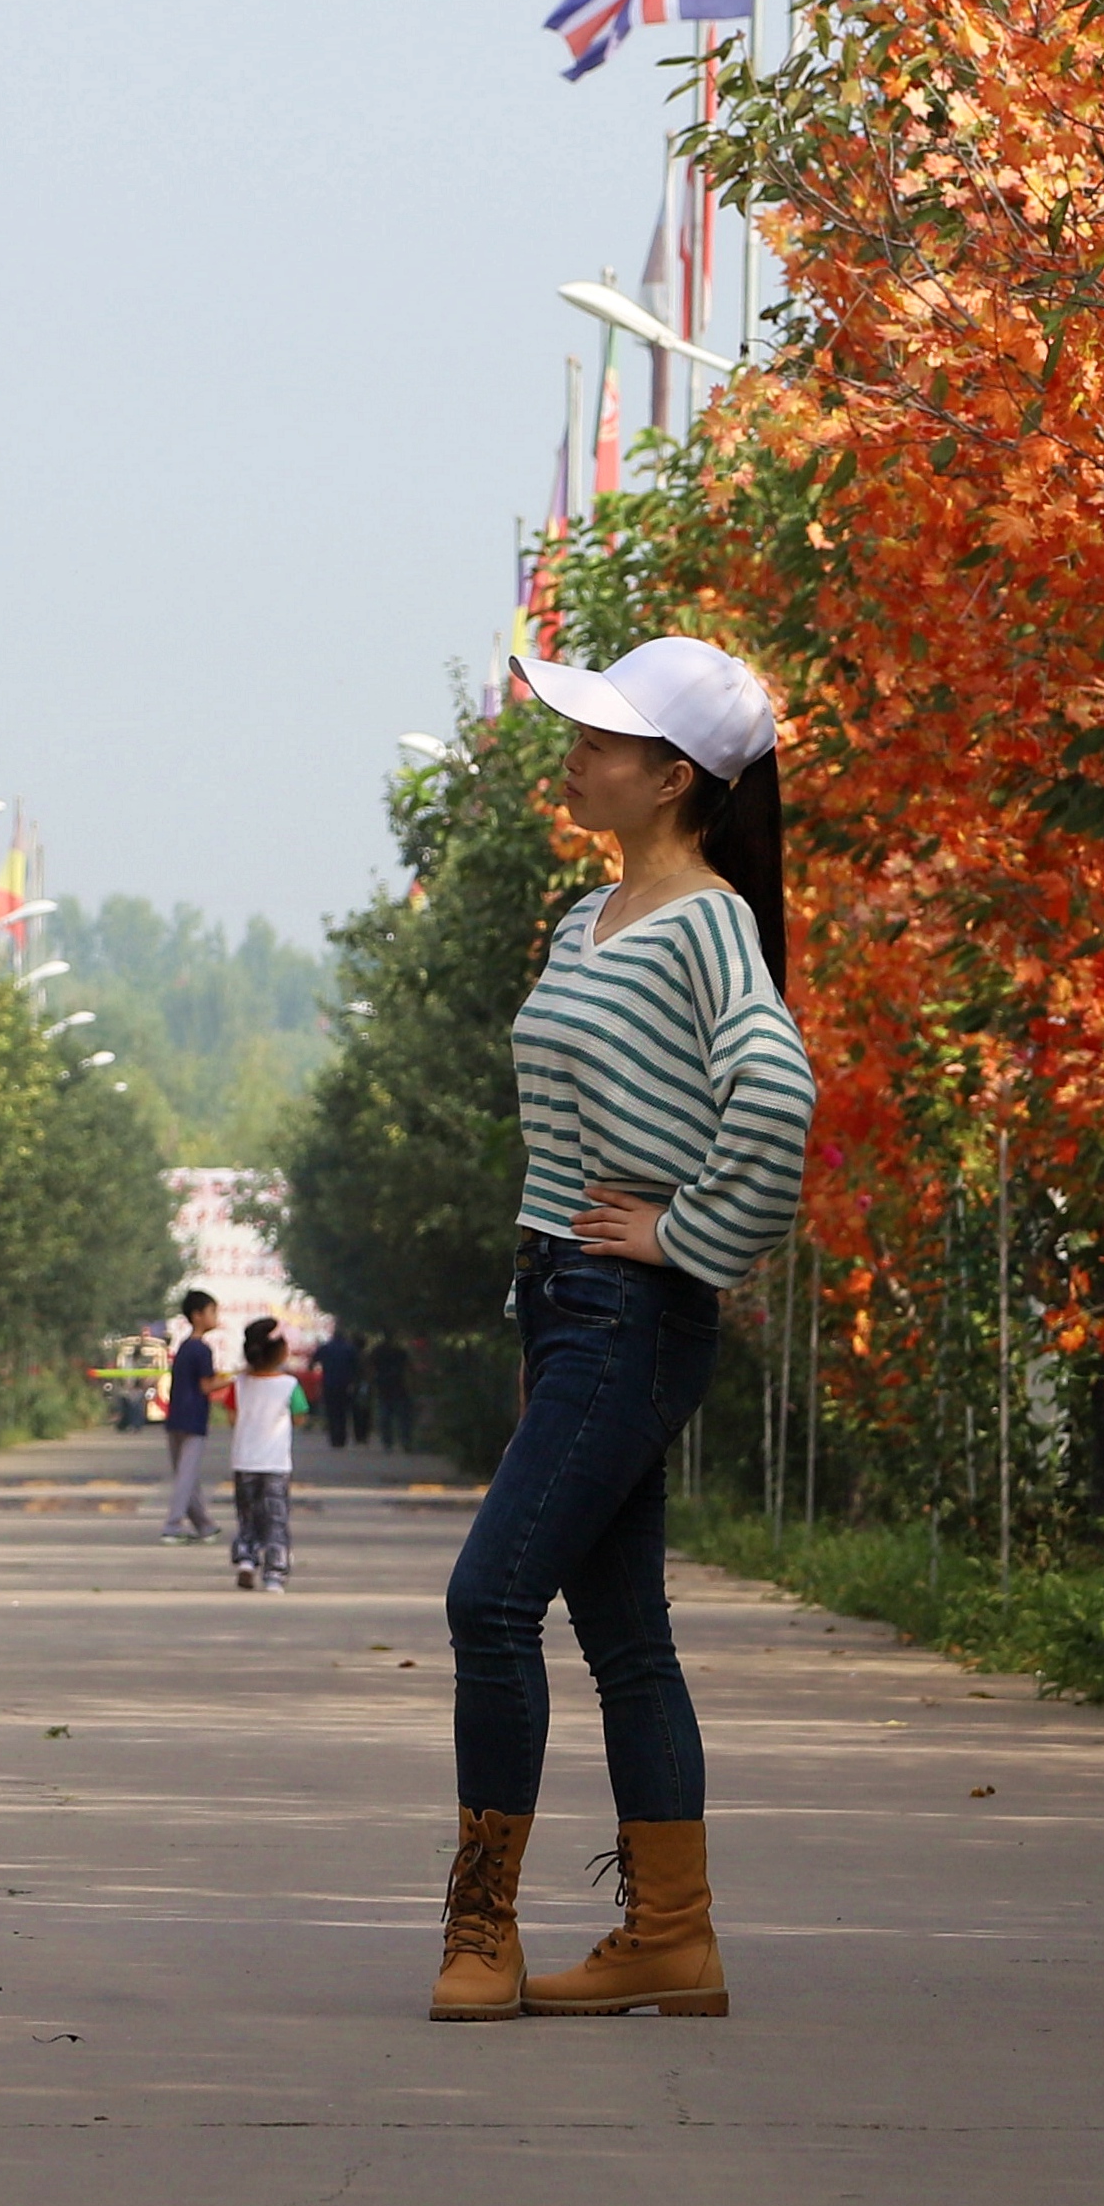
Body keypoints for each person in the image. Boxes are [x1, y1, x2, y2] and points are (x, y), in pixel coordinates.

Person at [434, 634, 812, 2024]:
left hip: (630, 1310)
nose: (574, 756)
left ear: (673, 778)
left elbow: (776, 1093)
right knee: (624, 1633)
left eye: (601, 739)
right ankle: (671, 1939)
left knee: (488, 1599)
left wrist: (684, 1235)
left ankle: (483, 1926)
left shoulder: (709, 922)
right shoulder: (583, 917)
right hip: (565, 1304)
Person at [222, 1316, 307, 1592]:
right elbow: (299, 1417)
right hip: (275, 1465)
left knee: (247, 1516)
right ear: (280, 1352)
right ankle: (274, 1574)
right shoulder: (290, 1385)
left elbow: (232, 1417)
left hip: (244, 1461)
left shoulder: (239, 1383)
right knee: (275, 1520)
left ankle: (246, 1561)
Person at [153, 1289, 225, 1542]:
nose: (215, 1317)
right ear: (197, 1316)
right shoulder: (202, 1349)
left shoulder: (184, 1347)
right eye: (212, 1312)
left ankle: (204, 1525)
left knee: (187, 1475)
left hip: (176, 1416)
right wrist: (234, 1378)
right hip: (194, 1418)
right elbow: (206, 1386)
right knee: (186, 1475)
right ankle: (172, 1526)